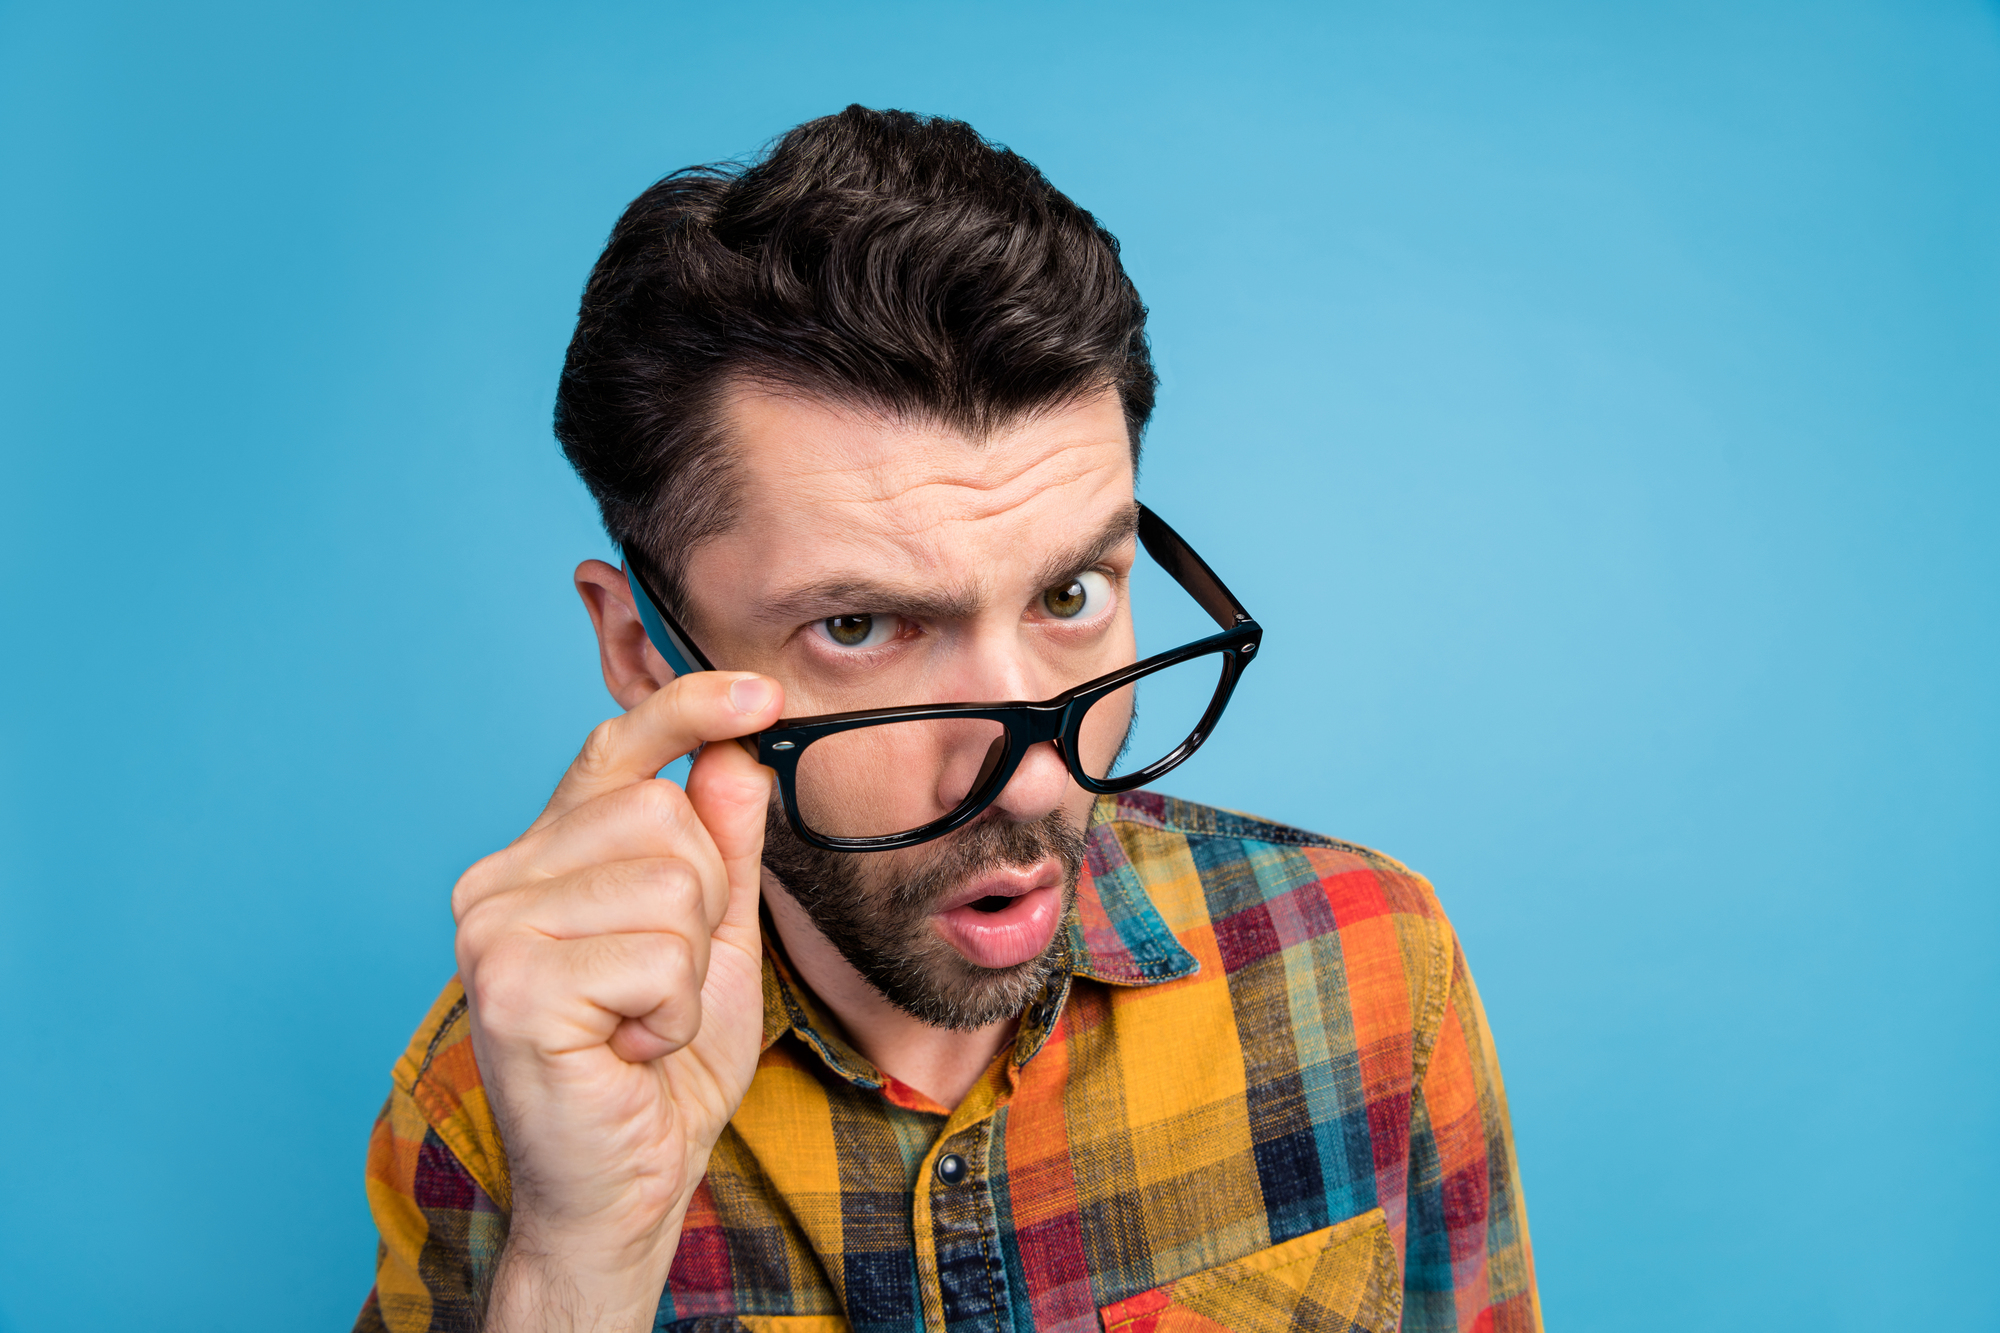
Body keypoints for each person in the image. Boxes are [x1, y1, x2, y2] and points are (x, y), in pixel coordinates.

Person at [354, 105, 1540, 1333]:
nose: (1030, 779)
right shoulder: (507, 1096)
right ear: (642, 652)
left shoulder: (1360, 968)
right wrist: (582, 1258)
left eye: (1071, 595)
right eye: (860, 630)